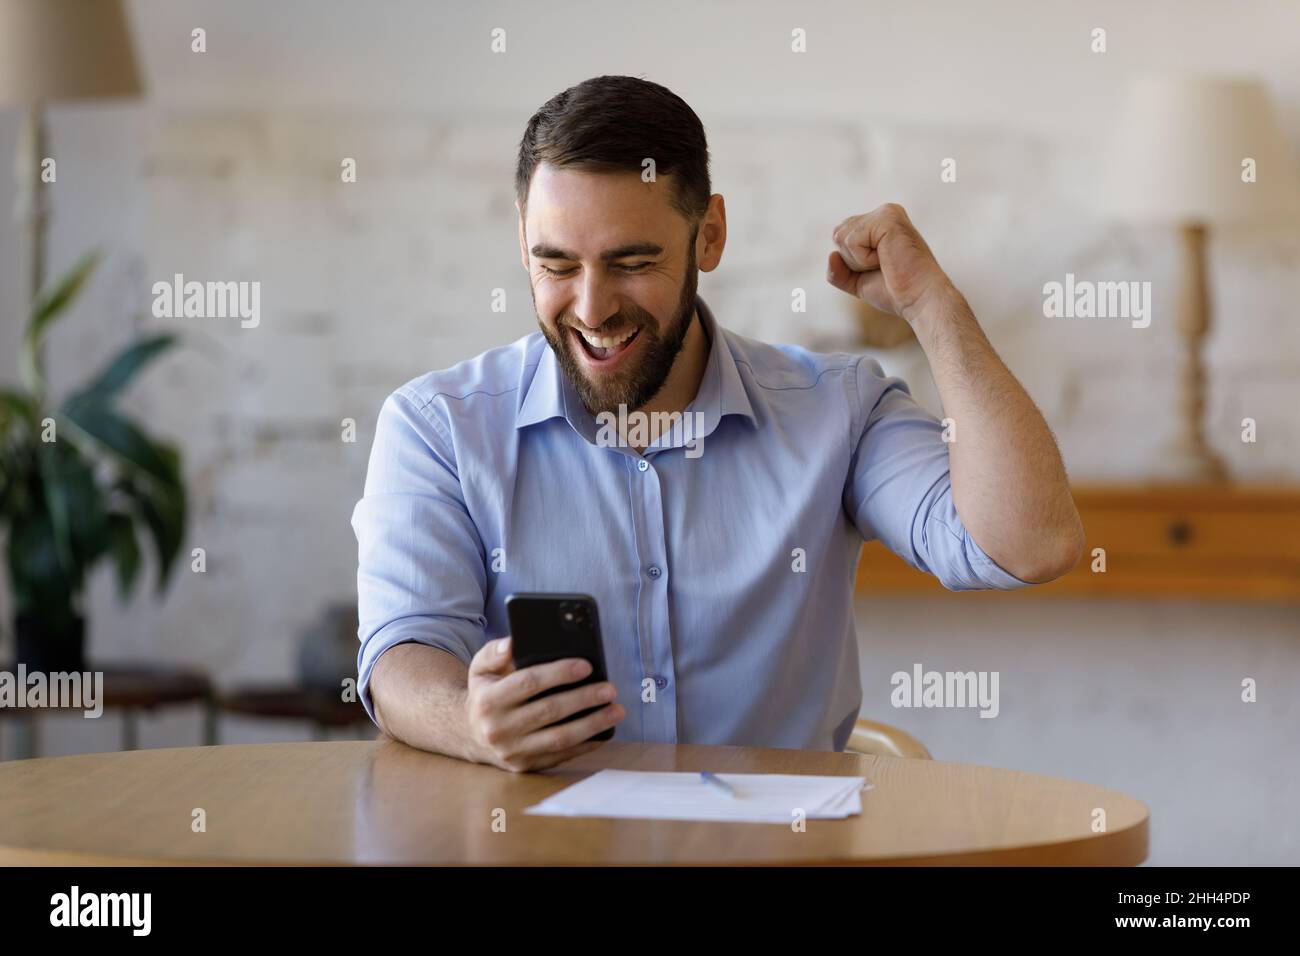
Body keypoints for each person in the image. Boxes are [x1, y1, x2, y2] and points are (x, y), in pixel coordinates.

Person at [351, 75, 1084, 772]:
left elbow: (1031, 545)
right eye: (557, 264)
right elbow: (402, 655)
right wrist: (470, 722)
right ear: (522, 243)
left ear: (710, 237)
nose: (592, 306)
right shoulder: (438, 428)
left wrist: (933, 306)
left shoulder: (839, 411)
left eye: (632, 261)